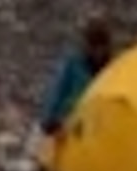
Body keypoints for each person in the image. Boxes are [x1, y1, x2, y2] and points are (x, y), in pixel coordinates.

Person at [39, 18, 117, 146]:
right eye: (94, 47)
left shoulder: (114, 67)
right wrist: (50, 121)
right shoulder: (74, 64)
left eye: (102, 47)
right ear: (87, 45)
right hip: (70, 125)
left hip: (100, 129)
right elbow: (58, 91)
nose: (98, 52)